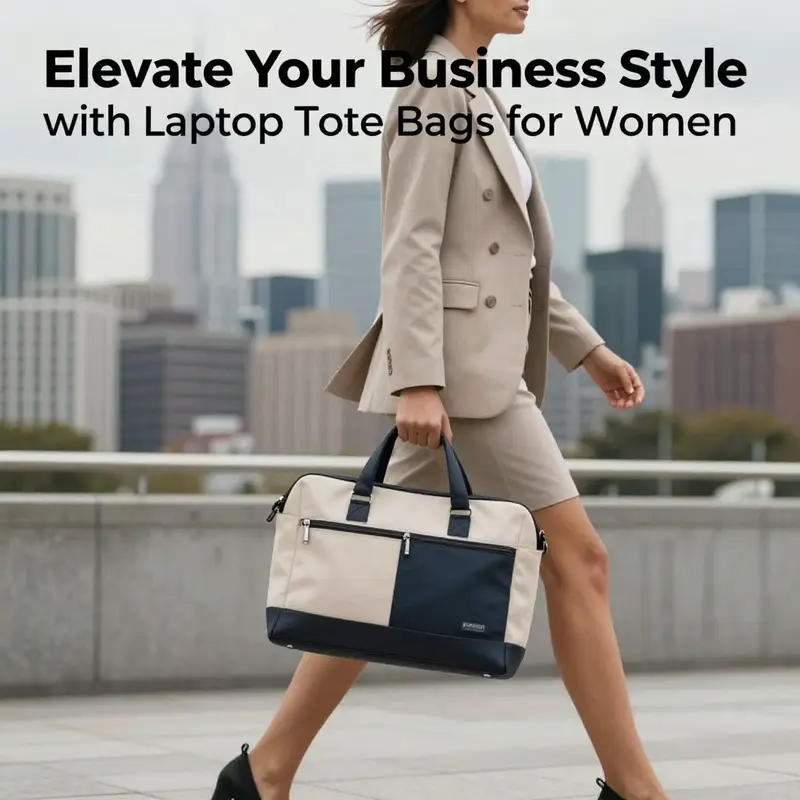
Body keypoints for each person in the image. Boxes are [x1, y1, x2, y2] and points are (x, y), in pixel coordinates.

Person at [212, 2, 671, 799]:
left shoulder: (476, 88)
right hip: (464, 381)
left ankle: (262, 773)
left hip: (481, 371)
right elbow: (412, 241)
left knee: (371, 568)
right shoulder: (432, 88)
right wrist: (416, 378)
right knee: (581, 559)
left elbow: (505, 267)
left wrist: (587, 349)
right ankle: (637, 791)